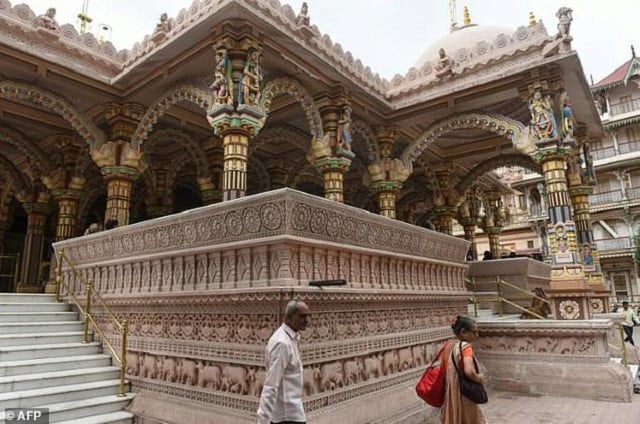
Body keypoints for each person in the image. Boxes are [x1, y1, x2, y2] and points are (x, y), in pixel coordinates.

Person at [257, 299, 311, 424]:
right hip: (286, 416)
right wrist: (263, 420)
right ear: (288, 318)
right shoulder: (282, 343)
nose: (307, 320)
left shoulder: (290, 339)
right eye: (302, 316)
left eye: (308, 316)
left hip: (292, 412)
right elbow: (271, 385)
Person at [440, 316, 487, 424]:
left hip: (453, 391)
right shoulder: (466, 347)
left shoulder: (449, 345)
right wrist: (478, 378)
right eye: (474, 332)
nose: (477, 335)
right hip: (465, 394)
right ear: (463, 332)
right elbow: (469, 371)